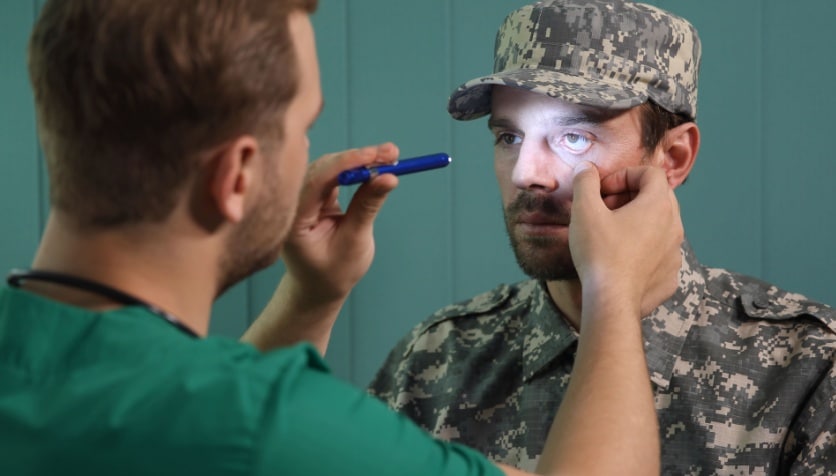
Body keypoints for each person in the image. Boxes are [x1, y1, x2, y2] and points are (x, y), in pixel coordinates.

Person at [0, 0, 686, 475]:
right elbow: (234, 426)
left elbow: (192, 430)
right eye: (303, 128)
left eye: (573, 137)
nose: (530, 172)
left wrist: (309, 295)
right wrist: (612, 290)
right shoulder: (269, 420)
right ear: (238, 176)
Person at [369, 1, 836, 475]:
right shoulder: (437, 361)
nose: (527, 174)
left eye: (575, 137)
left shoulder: (807, 369)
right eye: (510, 138)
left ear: (673, 157)